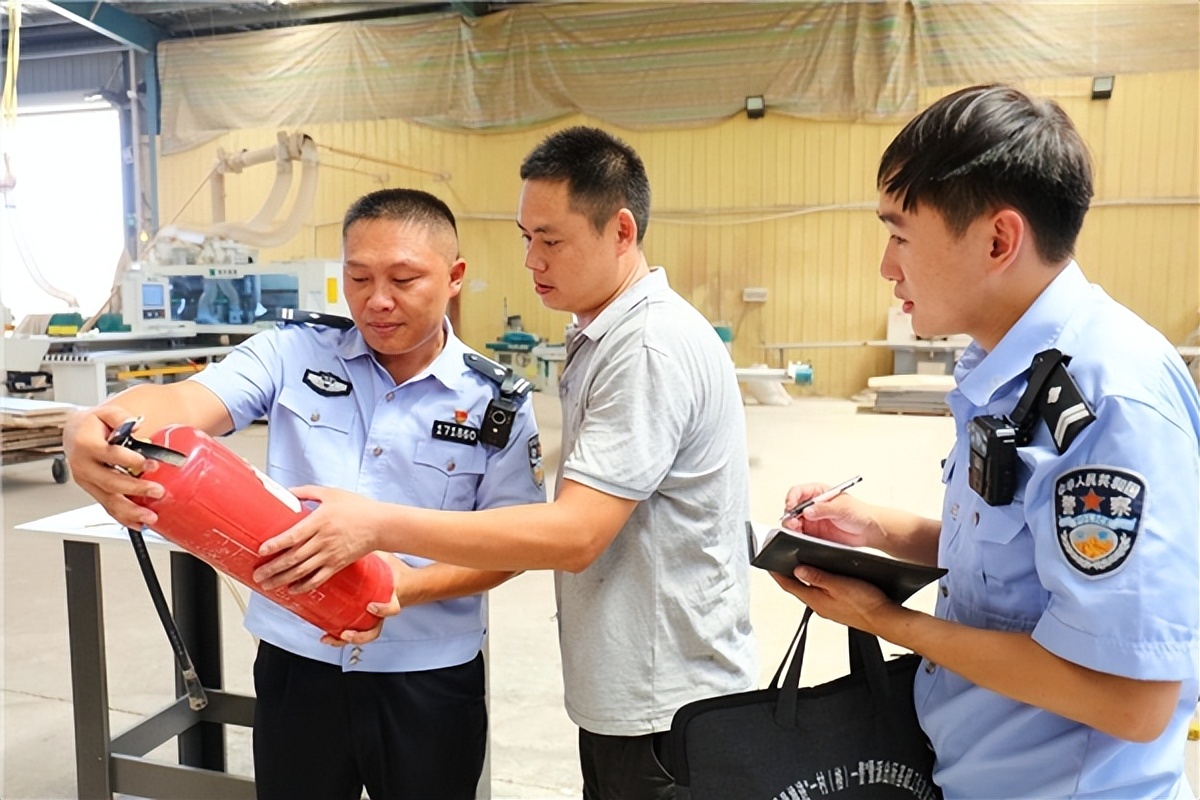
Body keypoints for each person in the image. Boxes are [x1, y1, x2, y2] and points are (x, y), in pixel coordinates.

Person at [252, 126, 759, 799]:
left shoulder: (645, 348)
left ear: (621, 230)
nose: (531, 260)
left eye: (550, 240)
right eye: (526, 238)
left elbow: (574, 534)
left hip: (663, 695)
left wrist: (375, 528)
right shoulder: (604, 334)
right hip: (638, 681)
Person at [771, 85, 1200, 798]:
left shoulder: (1109, 399)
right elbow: (1018, 569)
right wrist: (876, 529)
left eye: (900, 235)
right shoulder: (1010, 370)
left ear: (998, 240)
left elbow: (1132, 701)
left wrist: (890, 622)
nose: (887, 266)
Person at [63, 188, 546, 800]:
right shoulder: (292, 352)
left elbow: (514, 543)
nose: (377, 300)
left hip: (426, 676)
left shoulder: (495, 403)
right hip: (298, 665)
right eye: (359, 277)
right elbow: (184, 402)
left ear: (453, 278)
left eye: (403, 279)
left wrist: (406, 587)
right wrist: (94, 422)